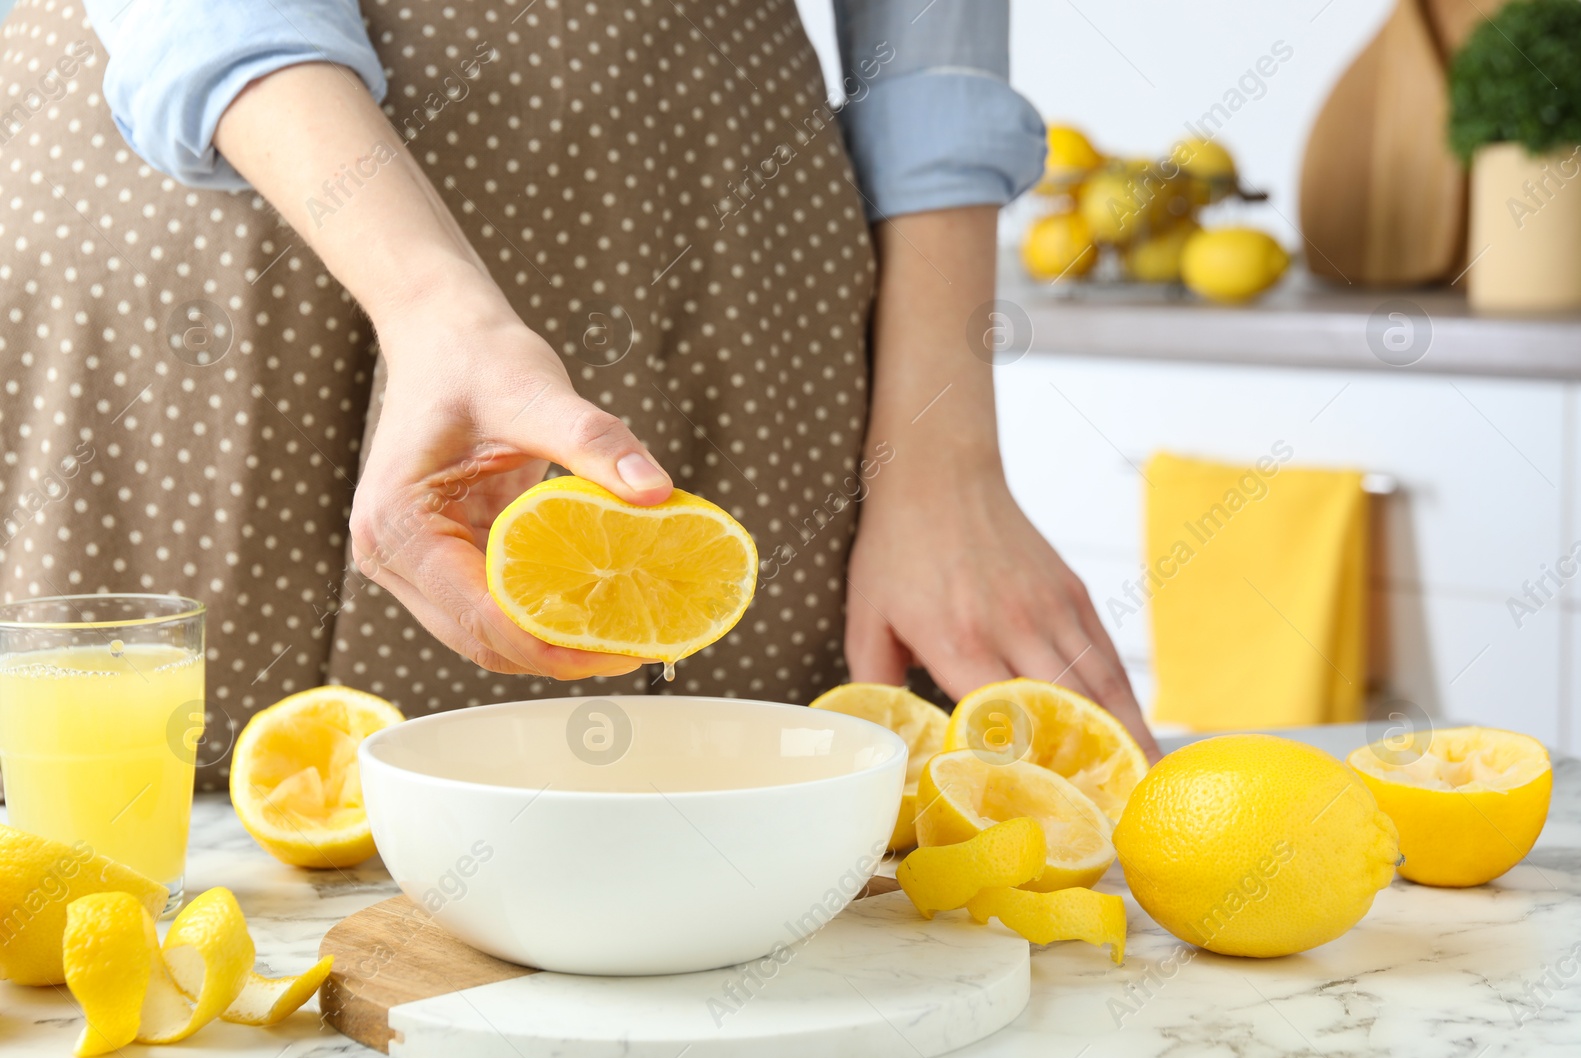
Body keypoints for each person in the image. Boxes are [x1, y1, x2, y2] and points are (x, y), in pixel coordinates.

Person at [0, 0, 1157, 787]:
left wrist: (938, 447)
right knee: (149, 869)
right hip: (204, 192)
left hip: (700, 213)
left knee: (709, 853)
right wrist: (429, 300)